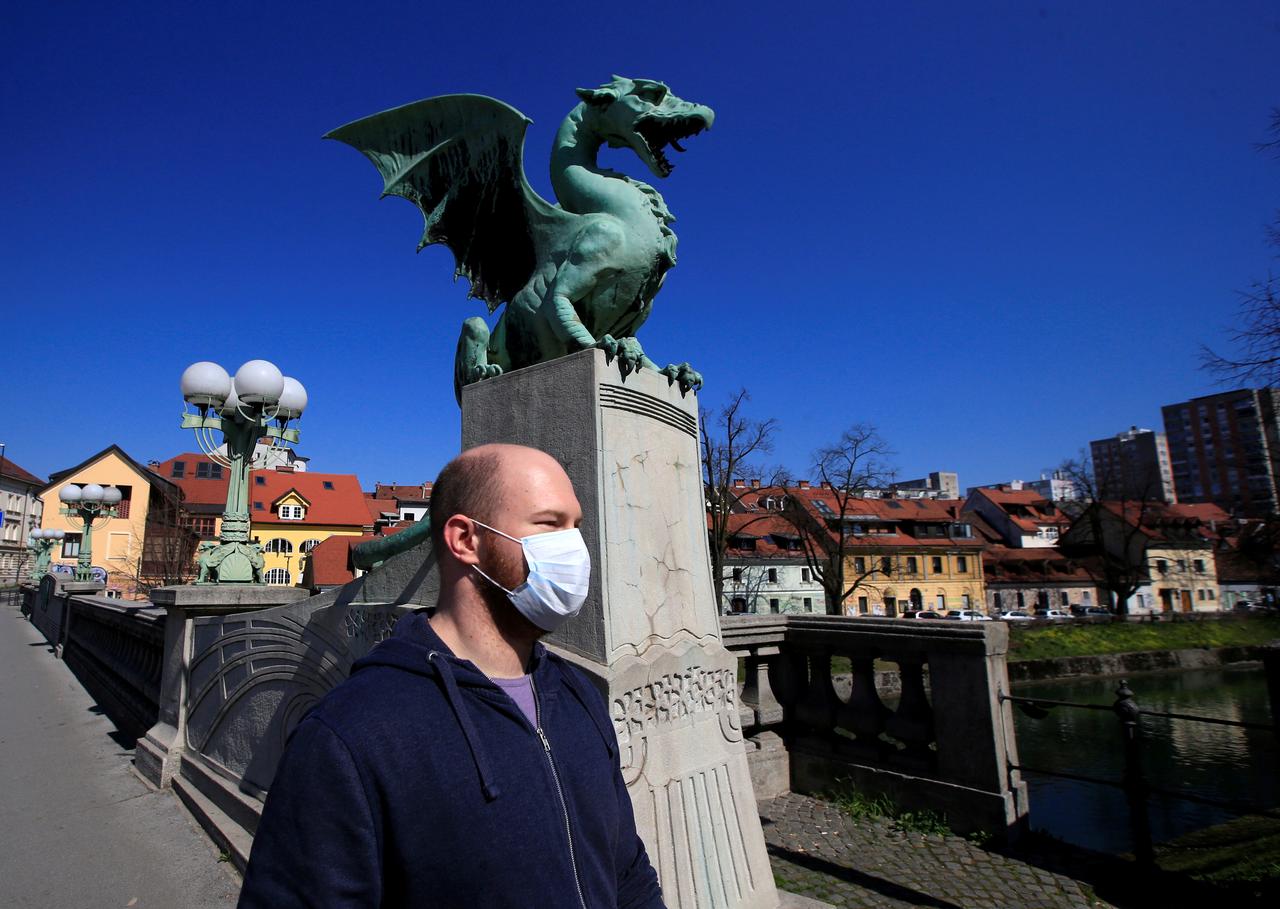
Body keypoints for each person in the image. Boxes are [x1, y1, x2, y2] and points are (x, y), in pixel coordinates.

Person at [238, 444, 665, 908]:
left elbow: (626, 870)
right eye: (548, 525)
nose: (575, 550)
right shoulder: (349, 735)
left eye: (575, 527)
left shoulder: (578, 694)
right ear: (465, 539)